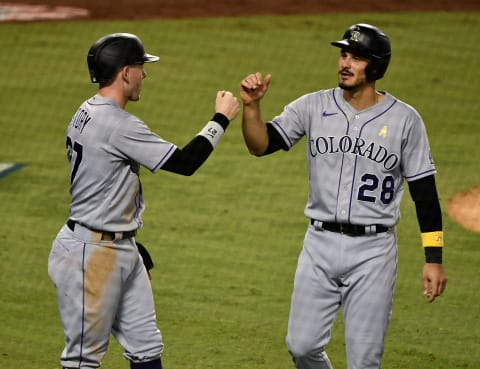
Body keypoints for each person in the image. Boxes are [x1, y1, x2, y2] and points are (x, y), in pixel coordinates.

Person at [239, 23, 447, 369]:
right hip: (318, 244)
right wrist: (251, 108)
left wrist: (433, 258)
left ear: (376, 66)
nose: (345, 63)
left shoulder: (405, 121)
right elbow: (260, 145)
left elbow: (425, 194)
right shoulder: (312, 105)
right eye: (343, 54)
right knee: (301, 347)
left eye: (358, 58)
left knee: (364, 361)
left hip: (373, 252)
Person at [48, 33, 239, 369]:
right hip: (91, 255)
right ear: (124, 73)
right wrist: (220, 119)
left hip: (116, 244)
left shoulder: (86, 110)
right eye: (140, 67)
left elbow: (104, 186)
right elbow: (184, 163)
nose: (144, 75)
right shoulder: (117, 124)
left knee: (146, 347)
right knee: (83, 359)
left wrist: (131, 245)